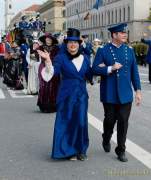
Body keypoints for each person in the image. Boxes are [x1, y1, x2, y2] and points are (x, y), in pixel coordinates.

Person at [37, 28, 93, 161]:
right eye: (70, 43)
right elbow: (53, 72)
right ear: (66, 44)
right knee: (66, 122)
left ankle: (81, 149)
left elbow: (90, 74)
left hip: (81, 96)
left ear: (79, 44)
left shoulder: (85, 58)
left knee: (81, 122)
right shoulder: (61, 58)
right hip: (66, 95)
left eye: (75, 43)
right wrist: (48, 60)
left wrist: (105, 71)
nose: (73, 45)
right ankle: (67, 150)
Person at [92, 23, 142, 162]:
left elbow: (134, 72)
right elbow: (94, 69)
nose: (125, 35)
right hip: (109, 93)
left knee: (123, 122)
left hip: (126, 94)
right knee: (109, 120)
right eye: (121, 33)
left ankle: (121, 150)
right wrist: (109, 68)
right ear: (114, 35)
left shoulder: (129, 50)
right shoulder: (103, 50)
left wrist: (137, 90)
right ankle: (106, 137)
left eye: (125, 33)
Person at [37, 33, 60, 113]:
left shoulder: (56, 48)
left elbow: (58, 58)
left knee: (53, 85)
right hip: (43, 67)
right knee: (43, 86)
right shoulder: (40, 47)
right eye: (47, 39)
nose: (48, 40)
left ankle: (52, 105)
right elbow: (36, 56)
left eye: (50, 39)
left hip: (53, 67)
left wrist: (50, 59)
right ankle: (43, 105)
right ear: (45, 39)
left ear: (52, 40)